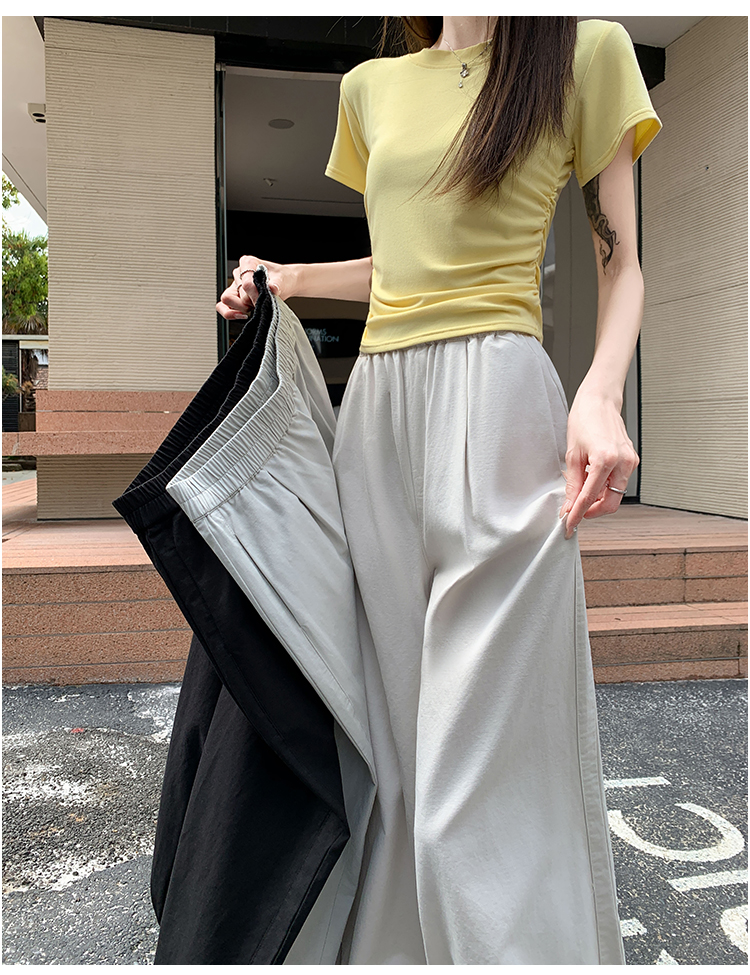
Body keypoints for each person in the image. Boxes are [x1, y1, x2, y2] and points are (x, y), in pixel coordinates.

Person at [216, 16, 661, 965]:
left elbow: (621, 259)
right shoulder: (370, 88)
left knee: (473, 792)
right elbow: (401, 263)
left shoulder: (584, 51)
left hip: (501, 412)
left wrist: (599, 392)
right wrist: (287, 276)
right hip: (376, 420)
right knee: (399, 769)